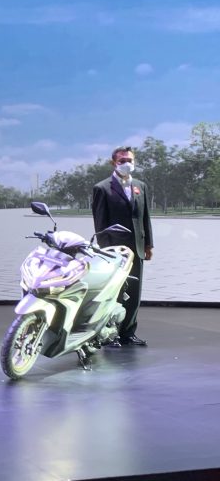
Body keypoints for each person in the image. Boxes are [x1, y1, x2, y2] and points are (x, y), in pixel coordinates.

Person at [92, 146, 153, 346]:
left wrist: (148, 245)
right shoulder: (102, 188)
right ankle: (110, 334)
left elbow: (145, 218)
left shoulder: (140, 186)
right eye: (122, 161)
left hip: (137, 249)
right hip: (115, 251)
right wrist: (106, 251)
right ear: (114, 163)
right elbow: (100, 223)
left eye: (130, 160)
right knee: (114, 293)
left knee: (134, 293)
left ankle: (128, 332)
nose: (127, 164)